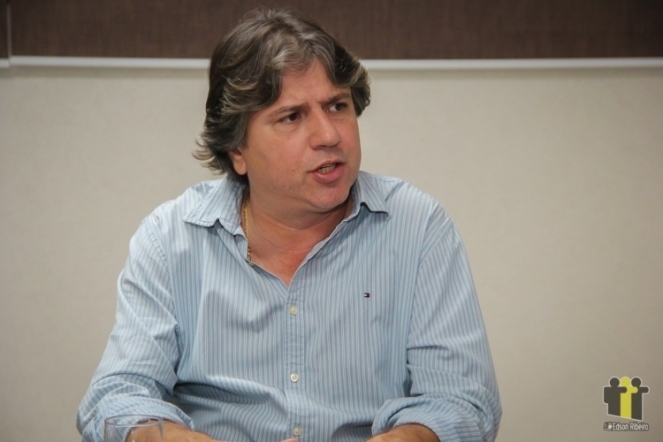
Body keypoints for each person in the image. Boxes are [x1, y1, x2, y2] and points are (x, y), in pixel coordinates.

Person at [77, 8, 501, 442]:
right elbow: (115, 400)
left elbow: (462, 403)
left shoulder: (418, 227)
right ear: (237, 149)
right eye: (292, 116)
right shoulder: (170, 239)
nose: (329, 135)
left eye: (337, 106)